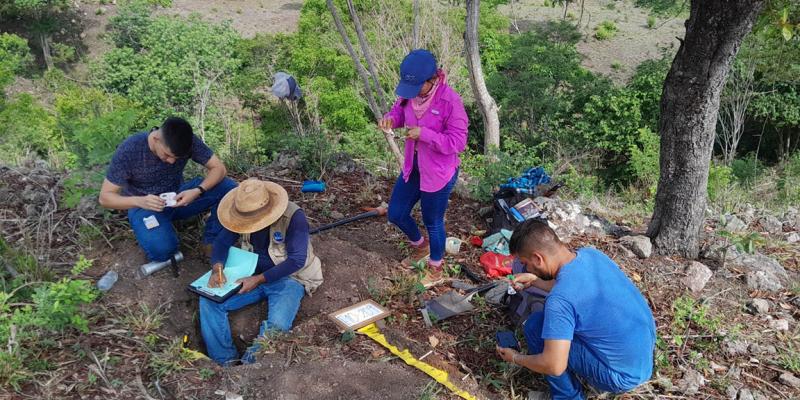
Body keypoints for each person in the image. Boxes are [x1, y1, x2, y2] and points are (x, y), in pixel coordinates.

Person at [496, 220, 656, 400]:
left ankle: (568, 397)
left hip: (620, 376)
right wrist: (534, 281)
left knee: (535, 327)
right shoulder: (591, 255)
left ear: (538, 259)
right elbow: (573, 288)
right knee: (545, 324)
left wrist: (516, 358)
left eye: (525, 263)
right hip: (642, 359)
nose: (526, 268)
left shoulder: (559, 301)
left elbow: (554, 365)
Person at [199, 178, 323, 365]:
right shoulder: (239, 214)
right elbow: (221, 243)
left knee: (278, 325)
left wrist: (258, 279)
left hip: (290, 278)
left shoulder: (293, 217)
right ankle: (225, 362)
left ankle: (249, 366)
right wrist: (217, 268)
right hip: (250, 273)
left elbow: (296, 260)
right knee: (209, 300)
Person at [378, 49, 468, 287]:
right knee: (396, 213)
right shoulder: (409, 95)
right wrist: (390, 119)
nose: (414, 92)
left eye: (419, 86)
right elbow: (399, 112)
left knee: (433, 221)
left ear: (433, 79)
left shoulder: (450, 101)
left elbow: (458, 142)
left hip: (438, 172)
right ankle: (420, 247)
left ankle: (436, 269)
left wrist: (425, 135)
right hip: (414, 165)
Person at [99, 117, 237, 262]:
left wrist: (197, 190)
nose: (171, 161)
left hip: (178, 197)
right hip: (144, 206)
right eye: (167, 155)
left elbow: (219, 168)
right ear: (156, 139)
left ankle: (212, 241)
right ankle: (163, 233)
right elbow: (105, 198)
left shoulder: (186, 140)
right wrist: (139, 201)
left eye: (177, 157)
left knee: (230, 190)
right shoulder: (130, 150)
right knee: (163, 250)